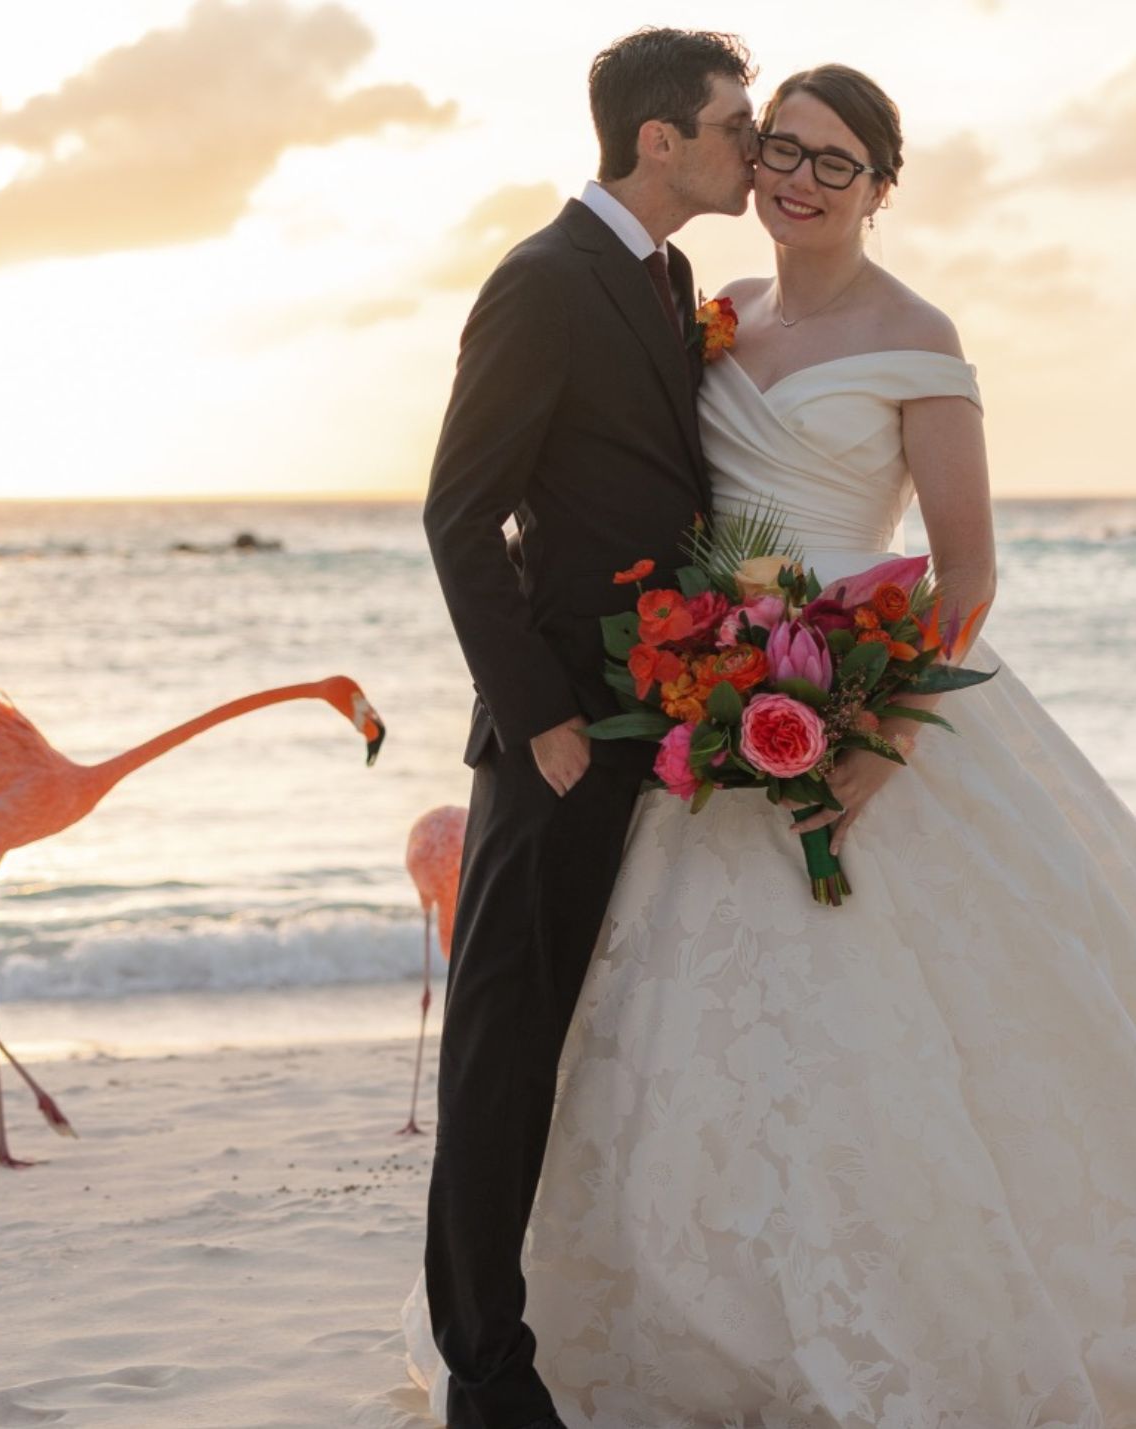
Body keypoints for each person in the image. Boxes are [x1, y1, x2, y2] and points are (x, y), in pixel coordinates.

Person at [411, 61, 1136, 1429]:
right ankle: (526, 1354)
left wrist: (871, 742)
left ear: (883, 187)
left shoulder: (903, 333)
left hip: (873, 712)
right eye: (773, 145)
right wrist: (578, 709)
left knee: (933, 1047)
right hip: (684, 723)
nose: (792, 175)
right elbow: (522, 509)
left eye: (835, 160)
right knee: (623, 1042)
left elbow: (962, 573)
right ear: (701, 150)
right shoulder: (697, 309)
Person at [417, 27, 758, 1429]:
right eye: (737, 124)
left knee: (612, 1039)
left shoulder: (672, 278)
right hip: (559, 738)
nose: (757, 147)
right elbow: (458, 512)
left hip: (666, 728)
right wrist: (543, 716)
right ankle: (485, 1374)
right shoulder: (543, 281)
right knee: (505, 1045)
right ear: (659, 140)